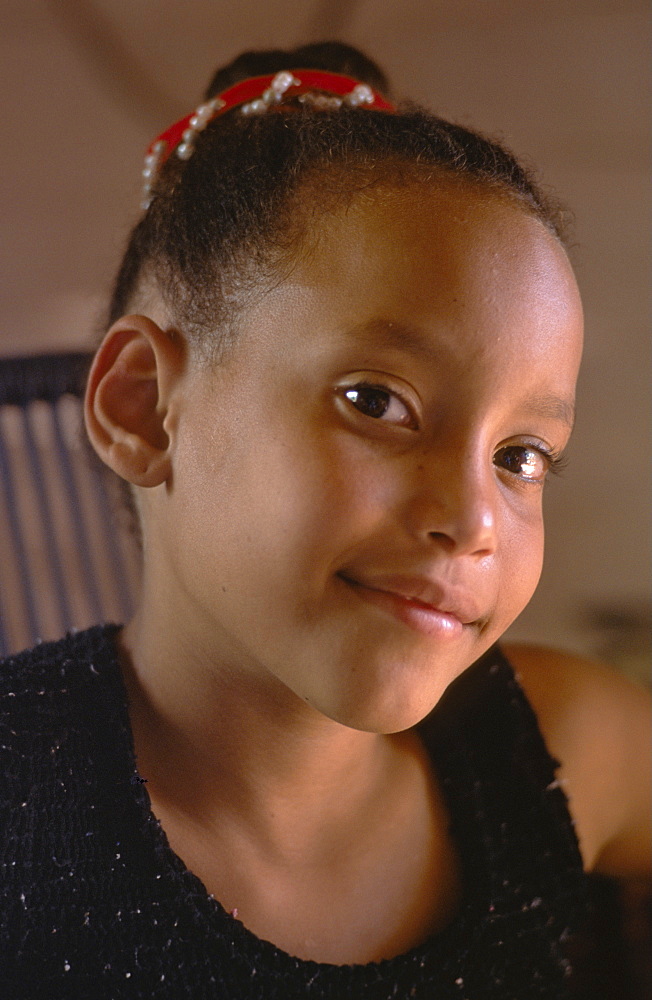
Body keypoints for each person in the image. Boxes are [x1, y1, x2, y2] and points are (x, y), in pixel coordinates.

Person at [1, 41, 649, 999]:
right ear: (143, 407)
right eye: (377, 403)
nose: (472, 518)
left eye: (522, 457)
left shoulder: (569, 747)